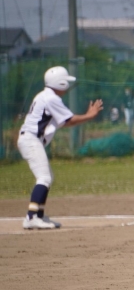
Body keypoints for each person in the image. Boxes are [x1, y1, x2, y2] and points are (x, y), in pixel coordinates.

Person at [17, 66, 104, 229]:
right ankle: (31, 217)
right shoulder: (51, 98)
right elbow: (69, 120)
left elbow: (63, 122)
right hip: (31, 140)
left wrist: (85, 116)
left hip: (30, 139)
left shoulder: (44, 95)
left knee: (48, 177)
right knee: (44, 178)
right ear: (60, 83)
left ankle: (39, 216)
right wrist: (89, 115)